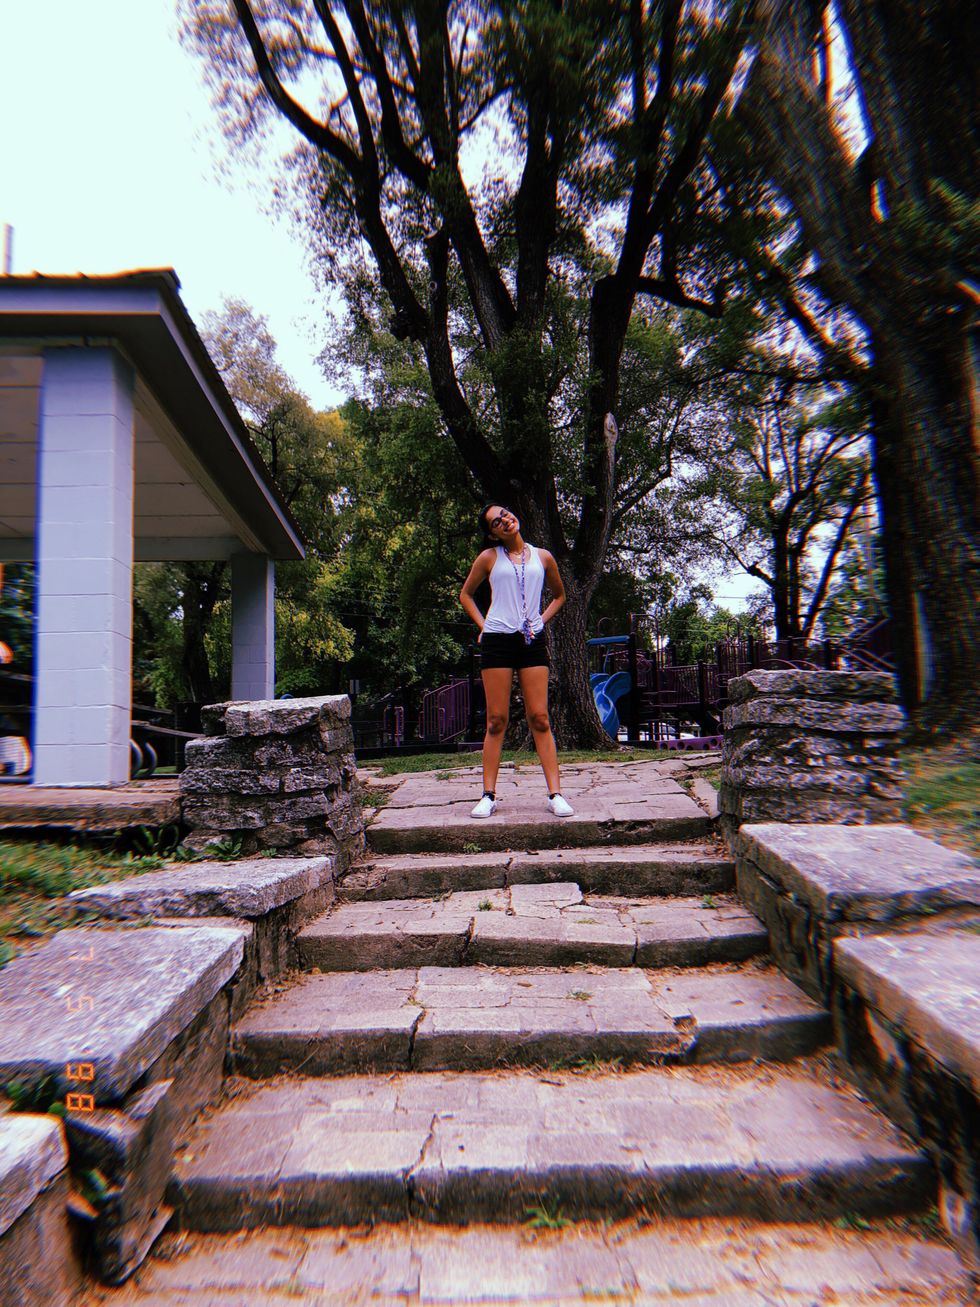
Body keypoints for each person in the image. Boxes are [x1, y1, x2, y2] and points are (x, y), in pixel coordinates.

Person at [459, 504, 574, 818]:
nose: (505, 520)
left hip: (531, 641)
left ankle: (555, 794)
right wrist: (484, 626)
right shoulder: (489, 558)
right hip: (497, 640)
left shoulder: (543, 557)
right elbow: (466, 595)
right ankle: (488, 795)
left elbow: (560, 595)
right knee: (496, 720)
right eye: (496, 522)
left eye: (506, 514)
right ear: (492, 534)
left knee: (540, 717)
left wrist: (540, 621)